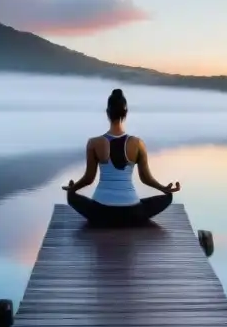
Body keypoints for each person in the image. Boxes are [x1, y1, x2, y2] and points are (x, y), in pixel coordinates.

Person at [62, 88, 180, 225]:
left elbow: (89, 179)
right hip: (133, 213)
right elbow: (146, 179)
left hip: (100, 212)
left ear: (107, 113)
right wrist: (164, 189)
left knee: (71, 197)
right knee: (167, 198)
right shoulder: (138, 144)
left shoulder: (94, 143)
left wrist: (73, 189)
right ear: (126, 113)